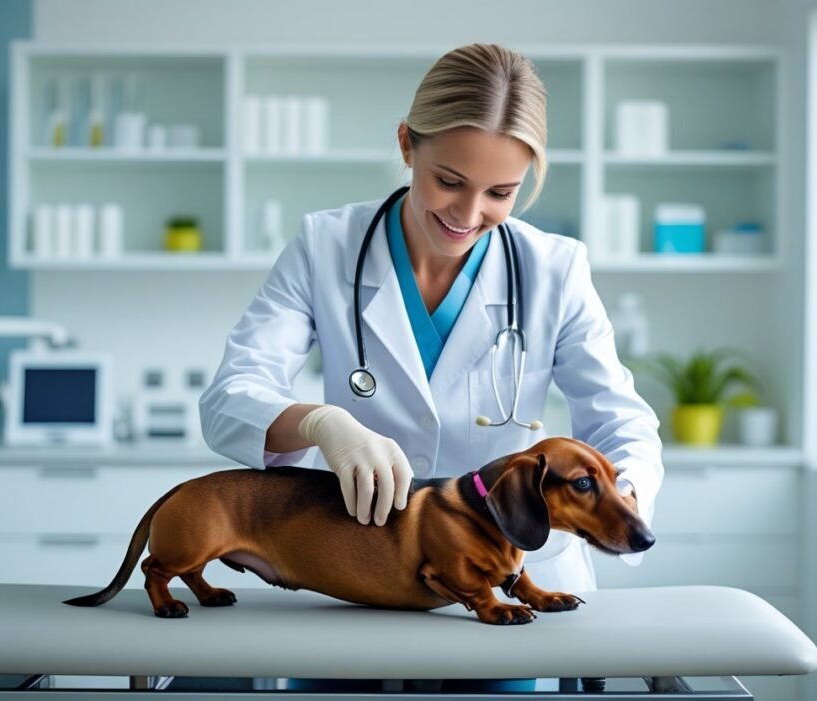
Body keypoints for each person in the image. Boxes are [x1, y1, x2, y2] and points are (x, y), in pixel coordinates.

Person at [200, 43, 663, 691]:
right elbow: (230, 397)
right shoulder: (326, 246)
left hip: (504, 584)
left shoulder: (555, 269)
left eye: (501, 192)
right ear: (406, 145)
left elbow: (622, 423)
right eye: (449, 180)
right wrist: (321, 423)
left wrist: (616, 499)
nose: (468, 215)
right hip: (354, 570)